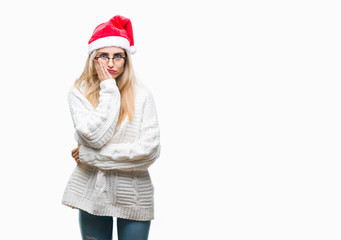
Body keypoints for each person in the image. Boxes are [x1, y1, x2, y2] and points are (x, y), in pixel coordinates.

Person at [62, 15, 161, 240]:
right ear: (92, 58)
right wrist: (109, 89)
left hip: (134, 196)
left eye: (118, 56)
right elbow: (94, 137)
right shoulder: (79, 92)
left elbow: (149, 153)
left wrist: (89, 155)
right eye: (103, 56)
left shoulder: (143, 95)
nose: (110, 63)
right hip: (92, 194)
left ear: (126, 60)